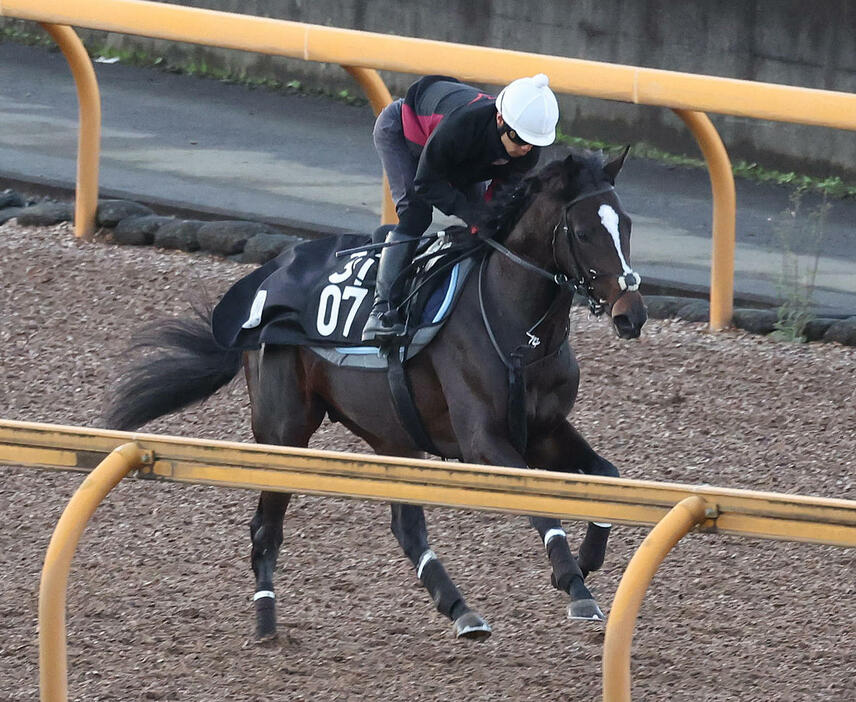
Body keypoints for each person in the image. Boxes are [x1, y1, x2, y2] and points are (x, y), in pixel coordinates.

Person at [361, 73, 560, 343]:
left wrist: (486, 222)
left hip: (460, 157)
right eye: (518, 138)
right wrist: (473, 216)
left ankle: (468, 299)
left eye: (533, 142)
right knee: (416, 216)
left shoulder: (526, 148)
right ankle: (381, 313)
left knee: (486, 225)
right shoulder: (462, 126)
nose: (525, 148)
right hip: (405, 134)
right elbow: (426, 183)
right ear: (500, 119)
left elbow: (498, 199)